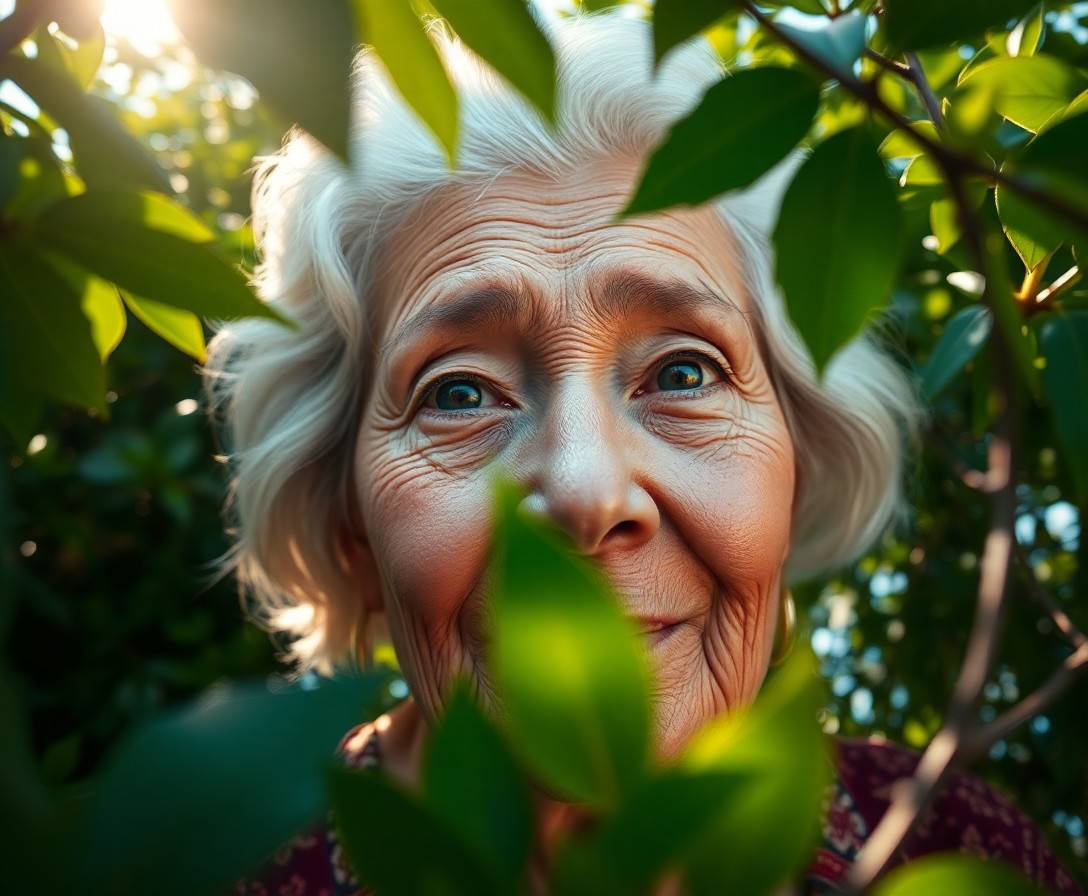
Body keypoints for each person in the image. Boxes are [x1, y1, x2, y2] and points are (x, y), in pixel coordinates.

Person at [207, 11, 1082, 896]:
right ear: (348, 523)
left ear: (798, 462)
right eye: (459, 393)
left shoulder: (955, 848)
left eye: (683, 371)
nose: (587, 492)